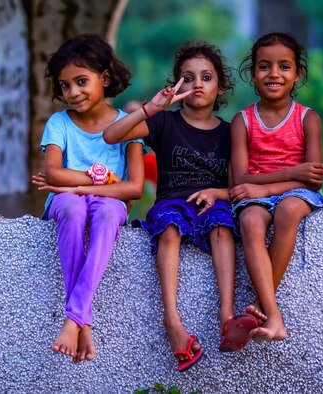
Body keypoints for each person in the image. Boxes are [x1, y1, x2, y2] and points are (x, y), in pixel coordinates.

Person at [104, 41, 247, 371]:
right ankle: (173, 322)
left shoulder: (229, 132)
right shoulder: (164, 123)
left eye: (206, 77)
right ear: (177, 83)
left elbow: (237, 186)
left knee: (223, 226)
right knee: (168, 227)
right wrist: (152, 108)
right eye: (188, 77)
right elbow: (112, 135)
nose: (197, 84)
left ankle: (227, 316)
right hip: (172, 202)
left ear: (220, 86)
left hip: (214, 203)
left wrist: (218, 193)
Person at [31, 33, 144, 363]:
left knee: (107, 213)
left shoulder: (128, 125)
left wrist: (81, 185)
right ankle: (82, 320)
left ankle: (74, 320)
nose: (73, 92)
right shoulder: (60, 123)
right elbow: (53, 174)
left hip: (109, 204)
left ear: (105, 78)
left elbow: (134, 187)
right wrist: (101, 180)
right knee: (70, 207)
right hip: (68, 200)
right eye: (65, 86)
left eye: (81, 81)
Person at [229, 32, 323, 343]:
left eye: (284, 66)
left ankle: (264, 309)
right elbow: (241, 178)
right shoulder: (242, 121)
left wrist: (268, 188)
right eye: (264, 66)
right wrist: (289, 174)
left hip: (298, 194)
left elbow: (313, 178)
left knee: (287, 210)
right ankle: (273, 317)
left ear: (297, 74)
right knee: (249, 220)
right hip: (258, 194)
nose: (274, 74)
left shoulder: (307, 119)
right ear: (252, 74)